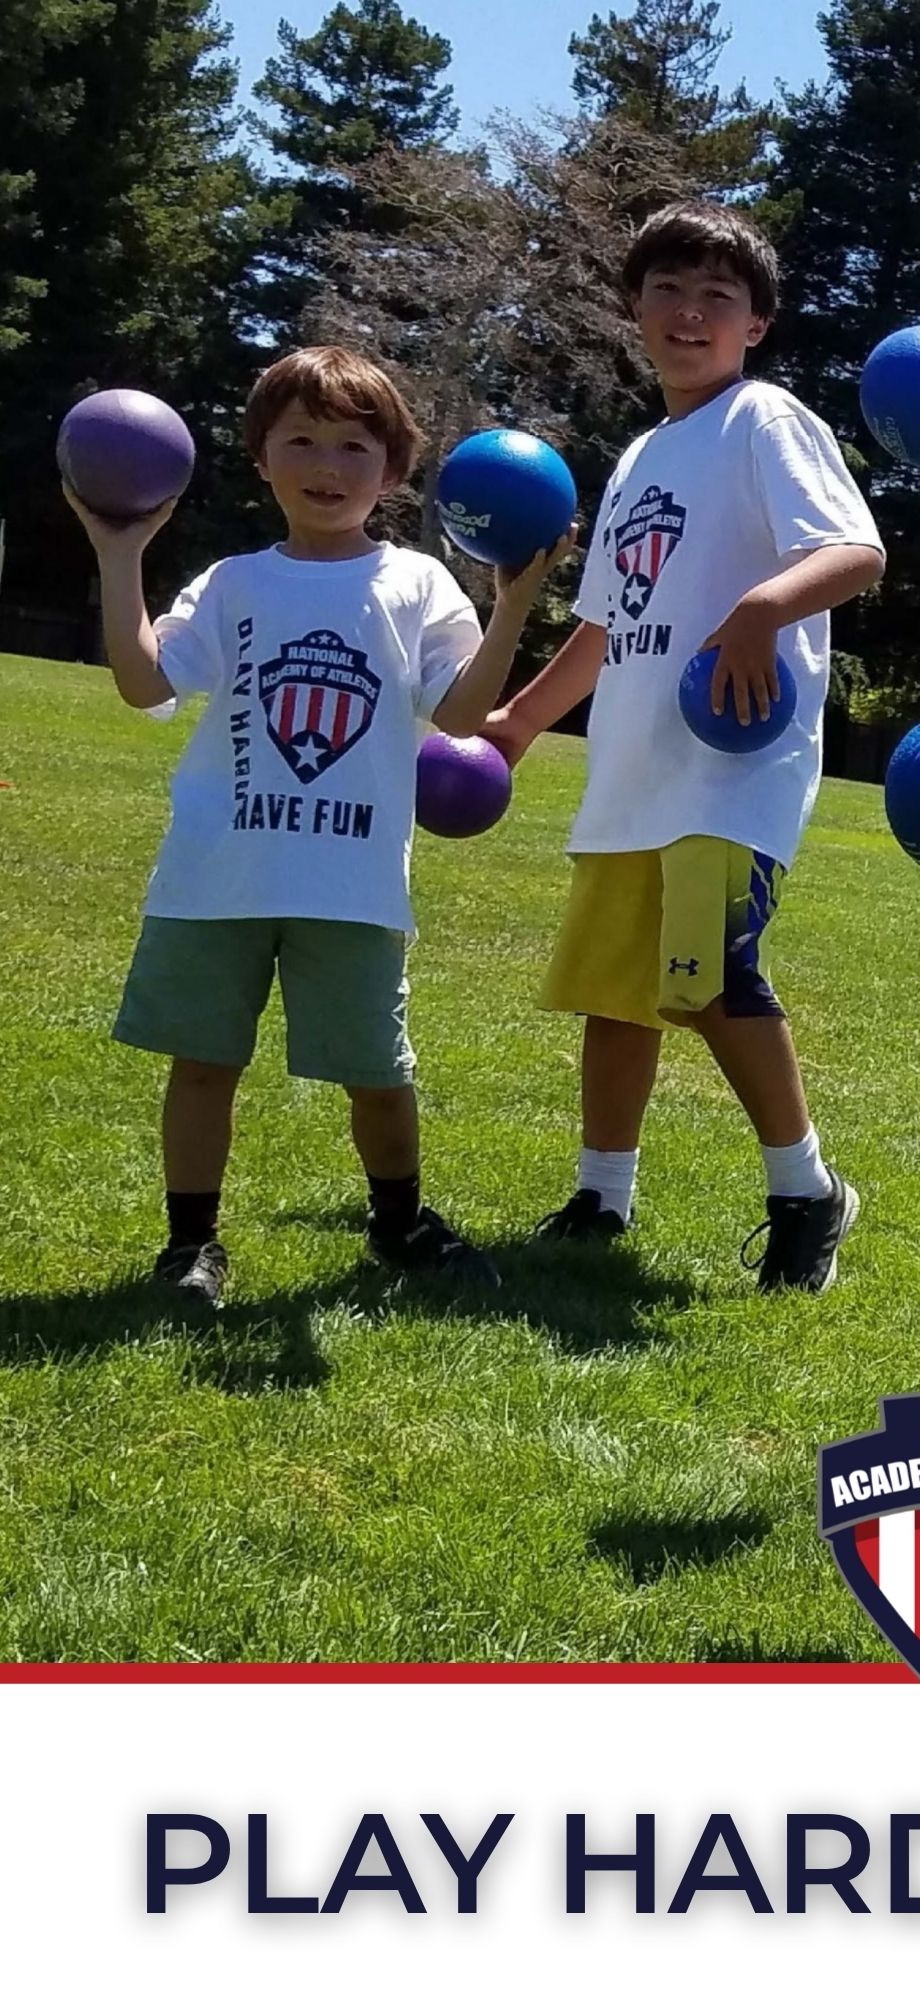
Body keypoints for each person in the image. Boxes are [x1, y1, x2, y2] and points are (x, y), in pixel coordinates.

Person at [69, 345, 567, 1305]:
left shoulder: (417, 582)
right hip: (218, 874)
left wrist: (512, 605)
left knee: (378, 1075)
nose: (326, 466)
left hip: (352, 884)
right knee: (203, 1065)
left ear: (393, 471)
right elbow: (142, 684)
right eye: (300, 441)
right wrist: (120, 553)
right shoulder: (231, 582)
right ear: (262, 457)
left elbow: (463, 715)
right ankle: (190, 1246)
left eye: (353, 447)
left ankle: (399, 1223)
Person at [483, 201, 884, 1290]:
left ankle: (806, 1190)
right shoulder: (640, 456)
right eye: (668, 289)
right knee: (616, 993)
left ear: (757, 324)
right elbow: (605, 626)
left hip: (730, 773)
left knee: (712, 978)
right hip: (634, 773)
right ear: (635, 307)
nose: (691, 312)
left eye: (719, 296)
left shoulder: (764, 419)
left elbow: (854, 550)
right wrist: (522, 720)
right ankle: (599, 1197)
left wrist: (760, 609)